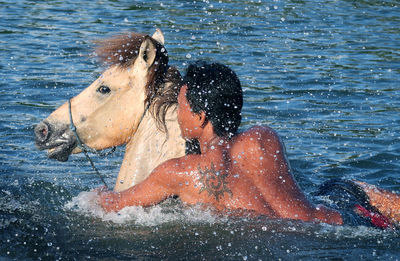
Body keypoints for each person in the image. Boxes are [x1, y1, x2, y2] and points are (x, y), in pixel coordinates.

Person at [99, 61, 398, 228]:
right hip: (343, 221)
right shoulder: (263, 138)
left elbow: (115, 205)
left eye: (180, 107)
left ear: (201, 117)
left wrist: (99, 195)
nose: (177, 115)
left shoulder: (178, 173)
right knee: (341, 186)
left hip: (297, 242)